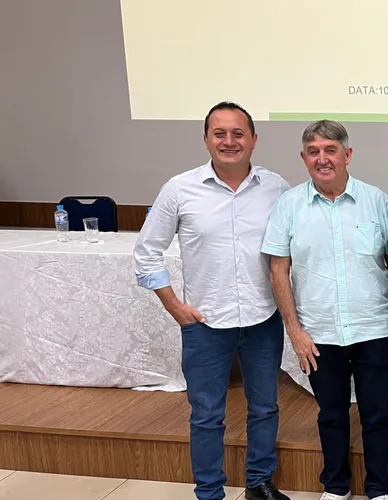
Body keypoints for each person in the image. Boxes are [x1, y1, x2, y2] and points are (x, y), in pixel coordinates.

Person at [133, 101, 292, 500]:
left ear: (254, 139)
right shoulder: (179, 189)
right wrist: (173, 305)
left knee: (265, 408)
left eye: (238, 133)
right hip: (205, 323)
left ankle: (259, 483)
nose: (229, 141)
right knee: (206, 415)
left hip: (262, 319)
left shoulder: (276, 188)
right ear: (206, 139)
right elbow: (147, 251)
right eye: (219, 133)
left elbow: (295, 248)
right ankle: (209, 492)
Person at [261, 120, 388, 500]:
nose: (322, 159)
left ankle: (379, 489)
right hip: (318, 332)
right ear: (304, 158)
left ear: (347, 154)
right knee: (331, 414)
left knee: (377, 414)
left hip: (373, 327)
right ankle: (337, 487)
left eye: (330, 150)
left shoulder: (377, 201)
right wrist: (294, 331)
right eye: (313, 152)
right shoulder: (289, 206)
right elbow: (278, 271)